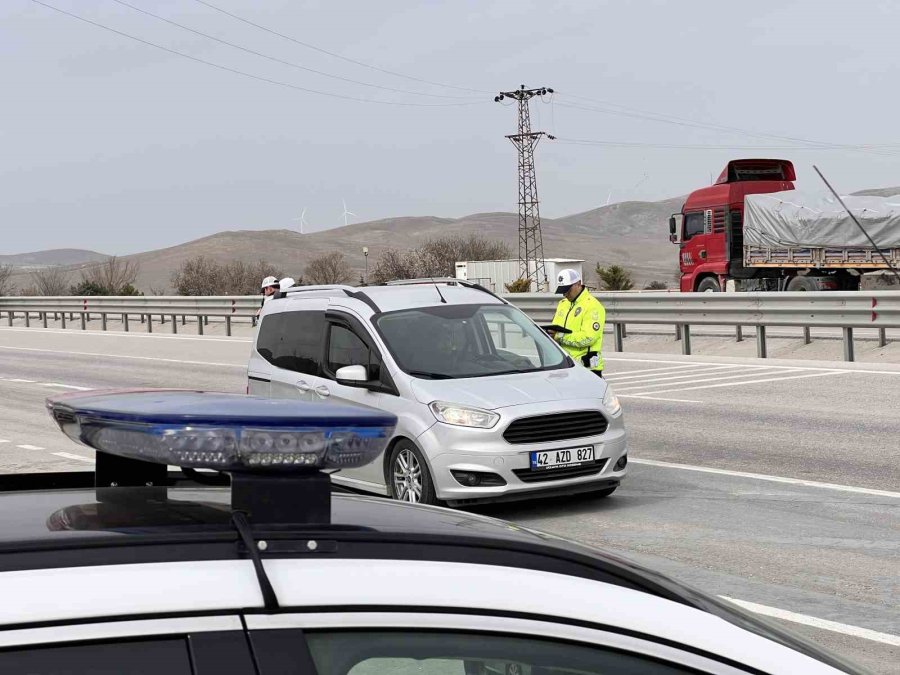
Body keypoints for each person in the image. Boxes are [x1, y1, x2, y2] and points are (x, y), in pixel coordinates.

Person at [548, 268, 606, 377]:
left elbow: (588, 338)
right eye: (562, 291)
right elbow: (555, 330)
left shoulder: (593, 306)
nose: (565, 294)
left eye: (567, 290)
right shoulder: (563, 304)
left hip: (587, 367)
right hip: (564, 365)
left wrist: (559, 336)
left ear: (578, 284)